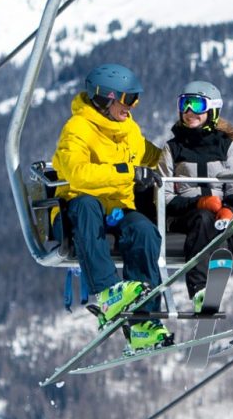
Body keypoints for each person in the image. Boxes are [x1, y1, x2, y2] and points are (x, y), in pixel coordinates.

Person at [52, 62, 171, 351]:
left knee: (144, 231)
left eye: (136, 99)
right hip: (75, 214)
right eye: (128, 99)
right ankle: (107, 293)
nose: (133, 106)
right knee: (87, 204)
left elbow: (157, 157)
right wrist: (126, 173)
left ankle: (143, 322)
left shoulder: (128, 129)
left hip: (117, 210)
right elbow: (77, 174)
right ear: (106, 97)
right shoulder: (77, 128)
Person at [156, 80, 233, 335]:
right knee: (202, 218)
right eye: (185, 104)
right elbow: (164, 196)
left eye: (197, 105)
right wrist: (198, 202)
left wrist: (229, 208)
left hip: (222, 213)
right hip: (185, 214)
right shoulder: (173, 148)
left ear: (212, 111)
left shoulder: (226, 145)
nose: (190, 111)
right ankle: (202, 290)